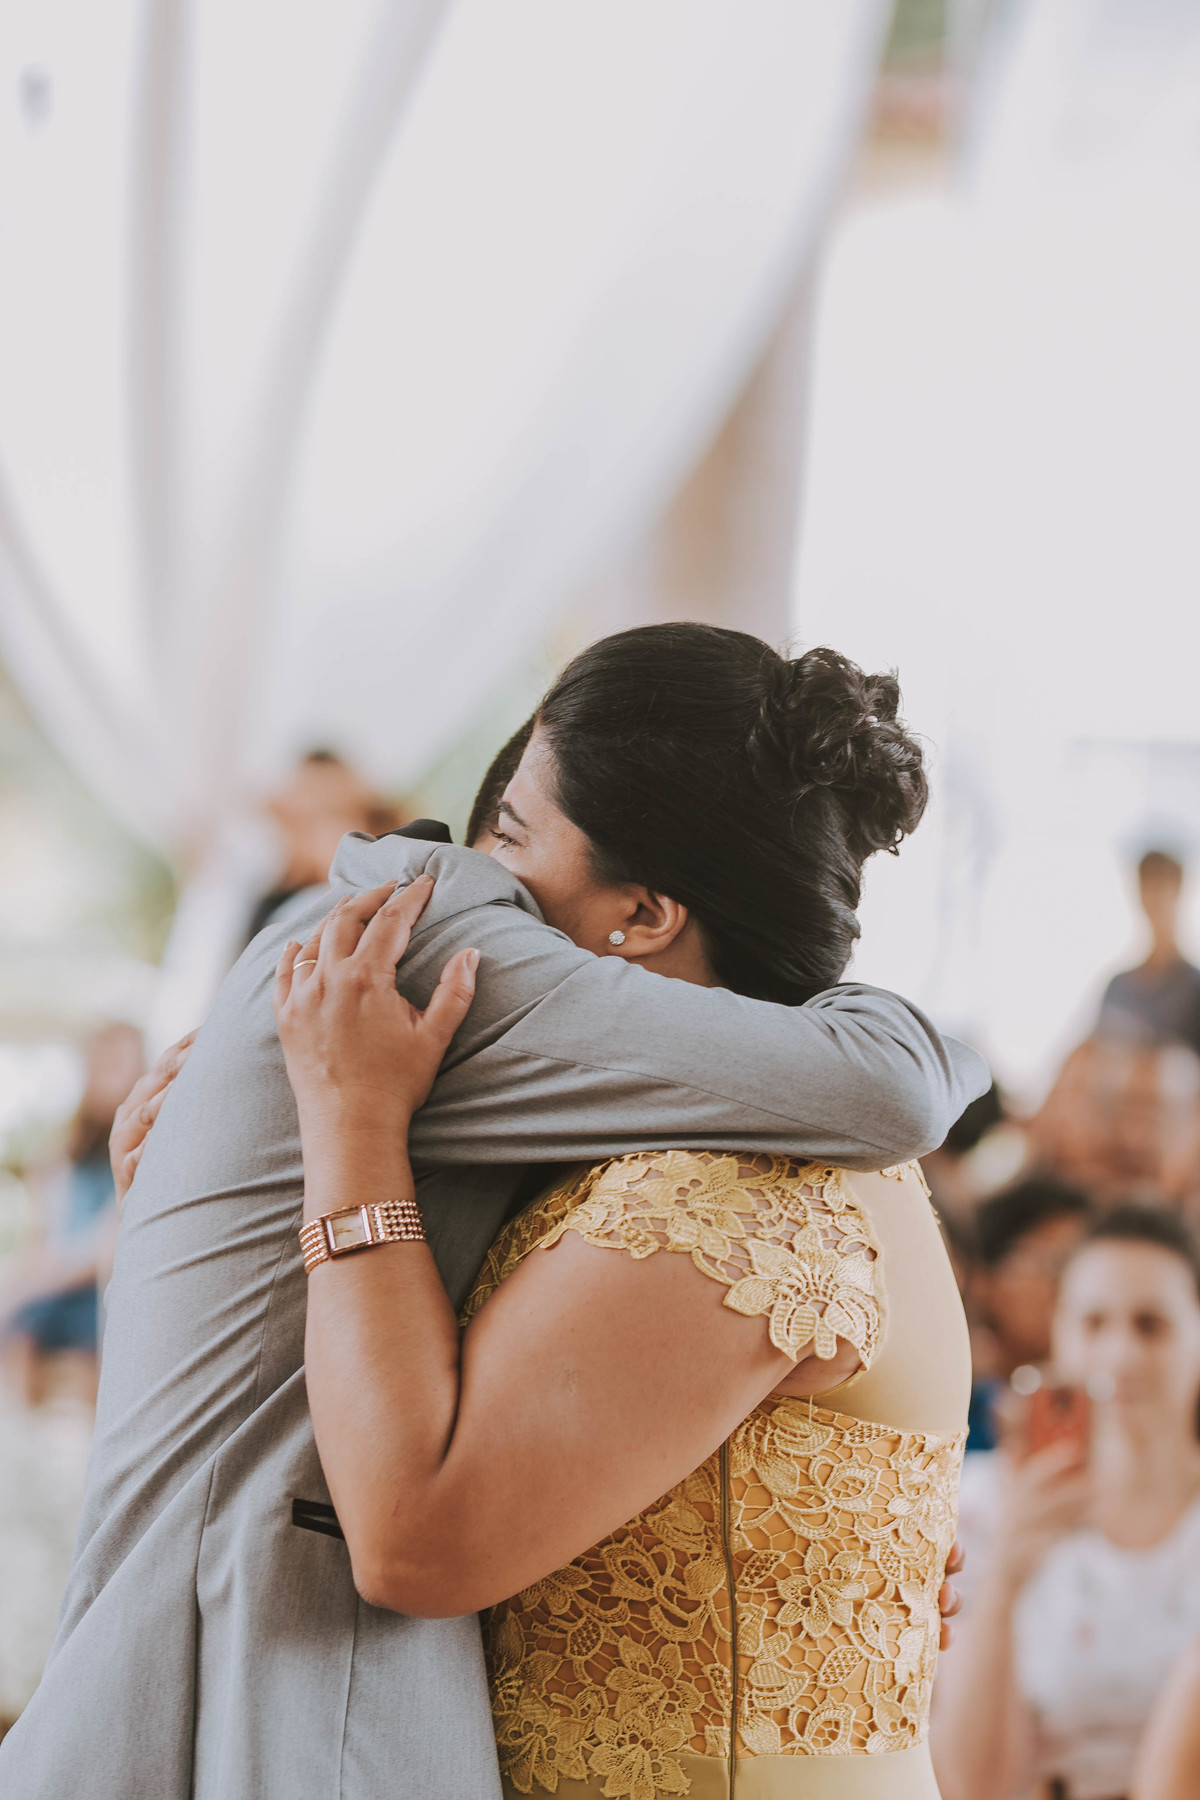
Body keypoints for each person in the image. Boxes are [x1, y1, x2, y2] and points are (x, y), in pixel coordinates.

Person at [0, 626, 987, 1800]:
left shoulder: (722, 1173)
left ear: (642, 912)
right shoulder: (660, 1132)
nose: (473, 863)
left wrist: (349, 1137)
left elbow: (421, 1529)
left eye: (514, 831)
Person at [932, 1206, 1200, 1800]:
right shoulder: (979, 1504)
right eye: (1094, 1322)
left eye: (1150, 1325)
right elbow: (969, 1786)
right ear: (1059, 1331)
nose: (1120, 1354)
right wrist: (1004, 1578)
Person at [0, 1023, 144, 1405]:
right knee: (23, 1330)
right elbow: (42, 1233)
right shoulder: (63, 1152)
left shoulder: (141, 1146)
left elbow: (105, 1242)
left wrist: (36, 1280)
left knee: (85, 1343)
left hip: (97, 1285)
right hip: (56, 1282)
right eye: (112, 1063)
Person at [965, 1178, 1092, 1451]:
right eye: (1059, 1265)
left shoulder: (1105, 1413)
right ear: (986, 1279)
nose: (1077, 1289)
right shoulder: (950, 1415)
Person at [1098, 850, 1200, 1060]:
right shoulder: (1118, 986)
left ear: (1178, 890)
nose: (1154, 899)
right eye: (1147, 887)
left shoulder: (1194, 988)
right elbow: (1092, 1057)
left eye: (1161, 886)